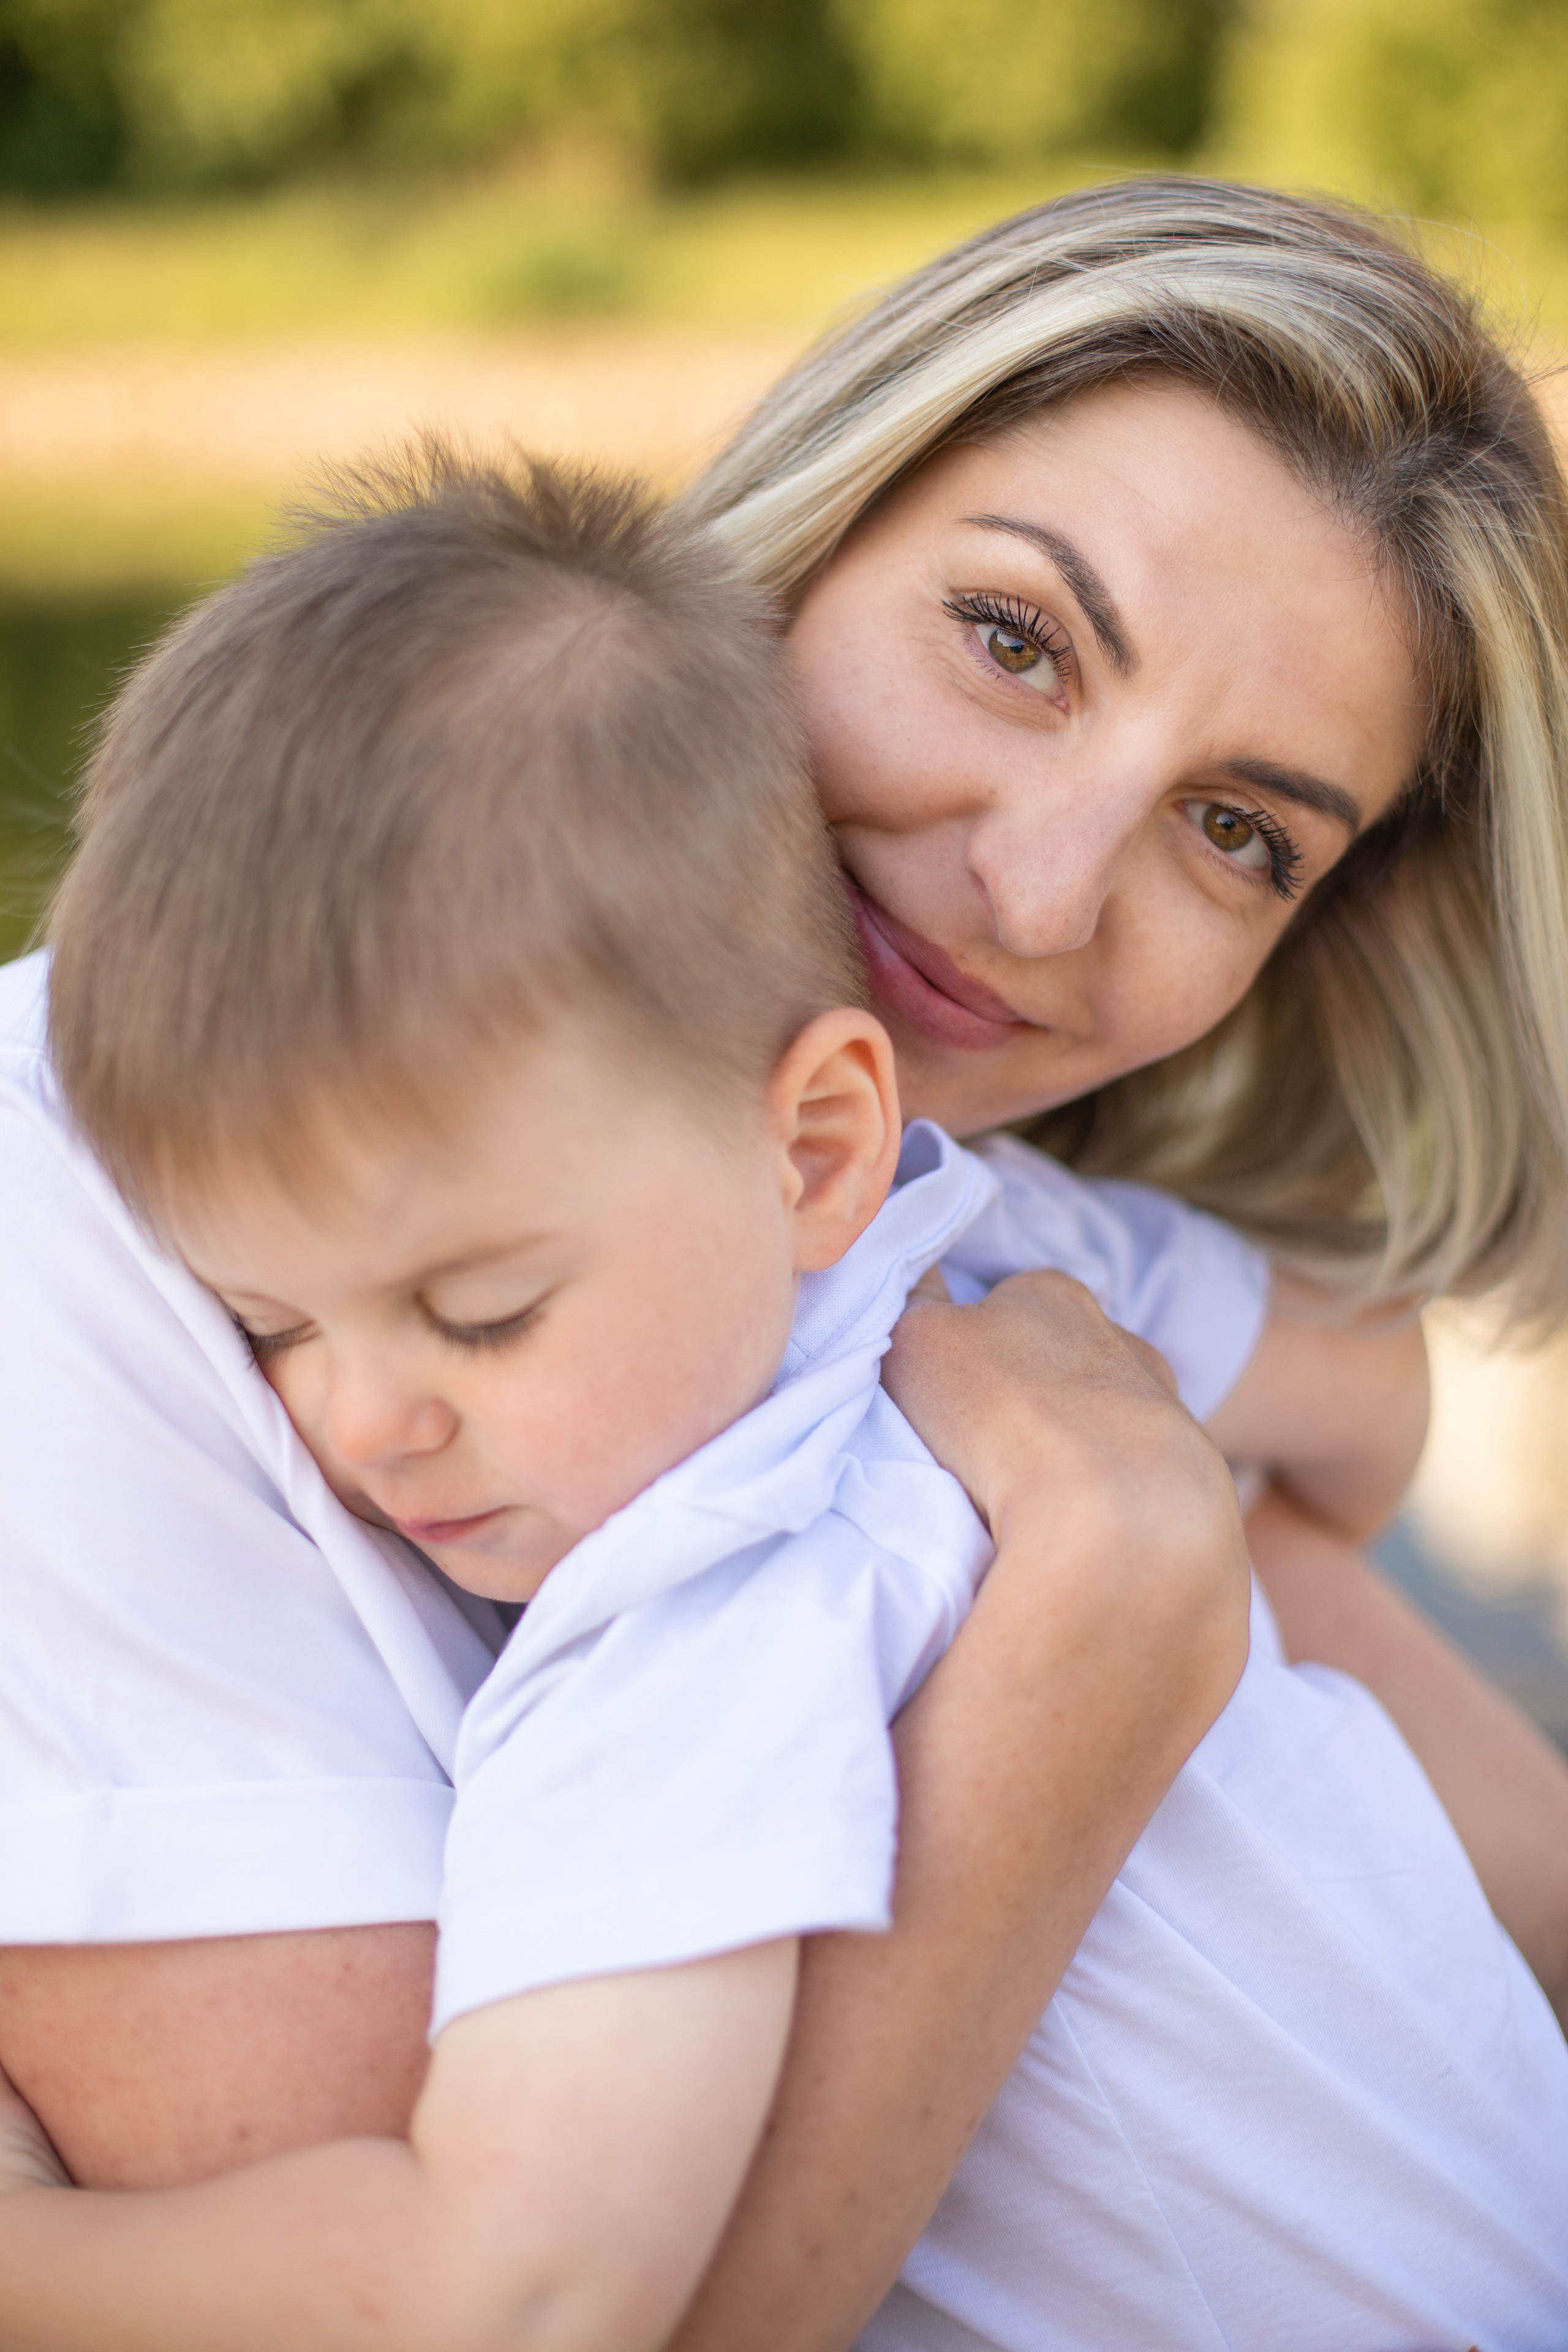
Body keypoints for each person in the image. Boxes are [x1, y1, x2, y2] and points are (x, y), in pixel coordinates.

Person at [2, 174, 1568, 2348]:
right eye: (1014, 638)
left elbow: (1360, 1385)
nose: (1039, 895)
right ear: (815, 525)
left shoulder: (944, 1238)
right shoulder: (89, 1188)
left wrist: (1156, 1504)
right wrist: (1103, 1612)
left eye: (1239, 832)